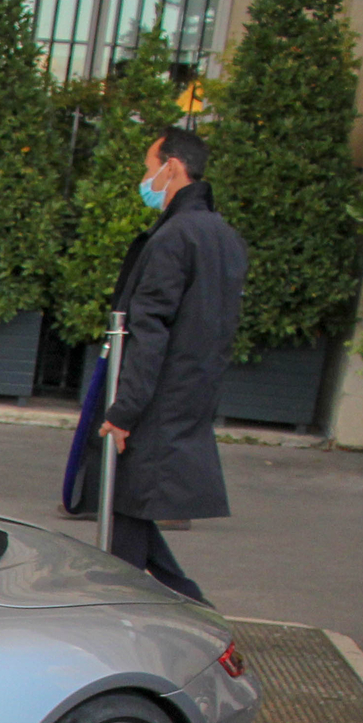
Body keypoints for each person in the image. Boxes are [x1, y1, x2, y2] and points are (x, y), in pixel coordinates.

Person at [90, 126, 247, 604]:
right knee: (128, 517)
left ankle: (187, 616)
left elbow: (150, 329)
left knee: (124, 518)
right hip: (190, 392)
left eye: (148, 166)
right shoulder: (223, 236)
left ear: (171, 168)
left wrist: (123, 410)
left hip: (157, 397)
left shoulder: (174, 238)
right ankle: (178, 610)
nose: (145, 178)